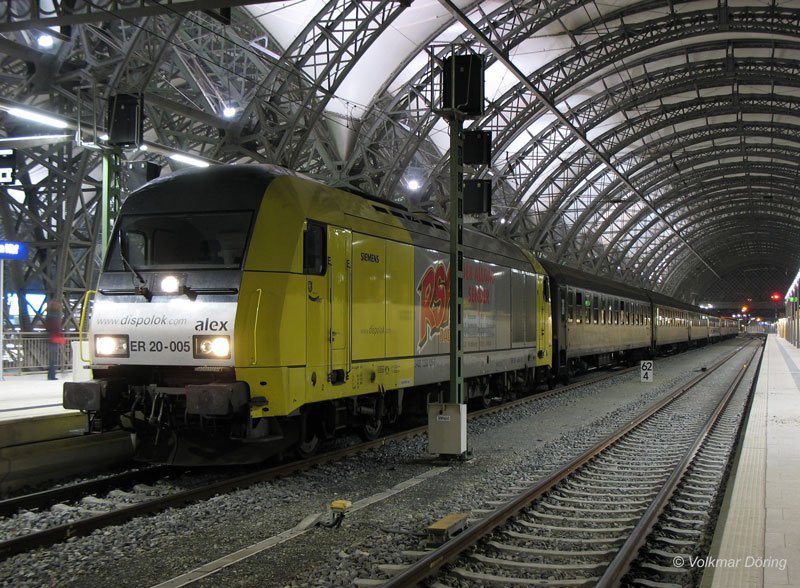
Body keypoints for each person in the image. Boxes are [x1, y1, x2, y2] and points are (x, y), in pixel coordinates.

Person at [45, 300, 65, 380]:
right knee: (54, 358)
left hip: (52, 338)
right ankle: (52, 375)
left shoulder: (49, 315)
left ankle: (51, 375)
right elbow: (57, 328)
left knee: (52, 359)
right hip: (55, 338)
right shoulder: (56, 316)